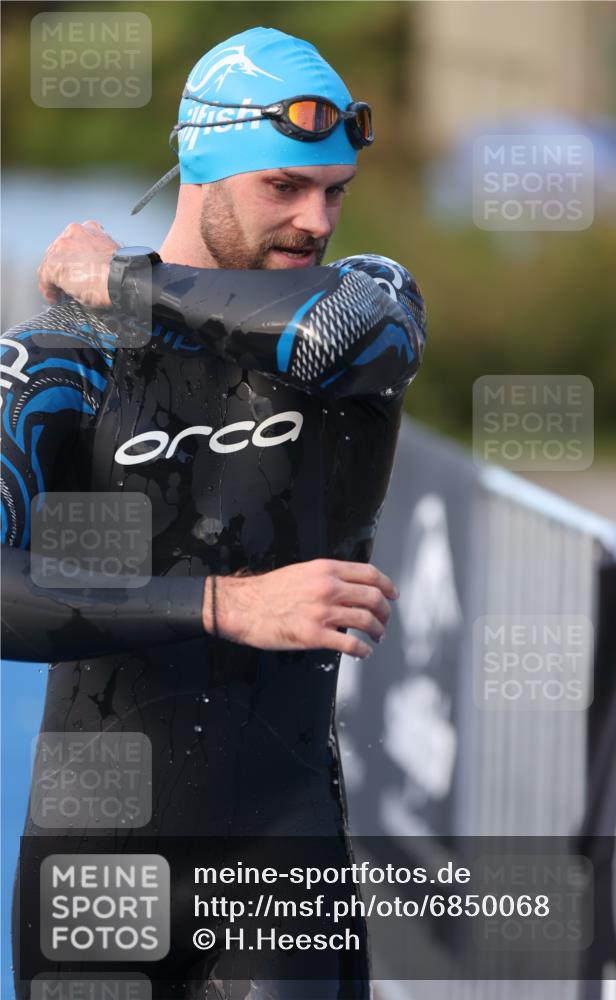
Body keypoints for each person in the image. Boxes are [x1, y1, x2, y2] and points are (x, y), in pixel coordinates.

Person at [2, 26, 426, 1000]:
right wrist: (222, 605)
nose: (316, 220)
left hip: (280, 861)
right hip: (95, 865)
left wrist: (124, 281)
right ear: (200, 166)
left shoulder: (370, 309)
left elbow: (324, 337)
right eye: (284, 186)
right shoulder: (61, 361)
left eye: (334, 191)